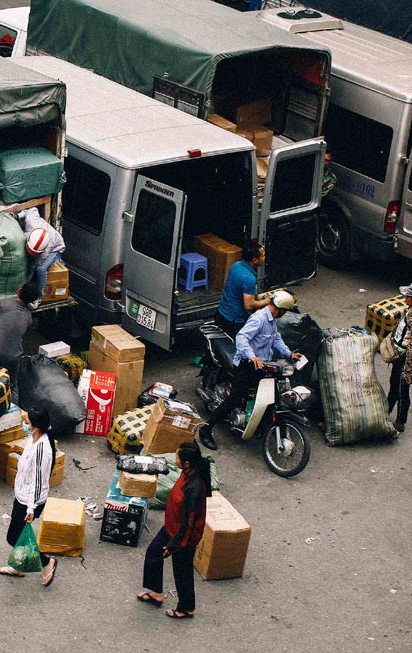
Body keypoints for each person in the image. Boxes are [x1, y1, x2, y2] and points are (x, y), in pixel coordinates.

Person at [199, 290, 301, 450]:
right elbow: (241, 337)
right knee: (235, 398)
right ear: (281, 309)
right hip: (247, 365)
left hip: (263, 365)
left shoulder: (272, 321)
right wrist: (252, 356)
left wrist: (289, 353)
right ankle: (206, 428)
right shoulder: (259, 319)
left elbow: (276, 339)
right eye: (285, 311)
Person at [137, 440, 211, 619]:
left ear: (186, 463)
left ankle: (186, 608)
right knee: (153, 554)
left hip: (183, 538)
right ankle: (156, 592)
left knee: (182, 572)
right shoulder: (188, 472)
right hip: (171, 526)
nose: (174, 458)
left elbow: (189, 524)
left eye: (177, 456)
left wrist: (174, 545)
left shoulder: (194, 488)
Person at [0, 407, 58, 587]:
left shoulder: (41, 449)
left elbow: (38, 481)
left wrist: (30, 508)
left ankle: (47, 562)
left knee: (14, 537)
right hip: (22, 495)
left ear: (36, 427)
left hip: (30, 500)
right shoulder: (34, 439)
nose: (24, 423)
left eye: (27, 422)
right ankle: (19, 566)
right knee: (18, 535)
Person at [0, 278, 40, 384]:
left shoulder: (3, 303)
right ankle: (12, 398)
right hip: (15, 358)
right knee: (13, 384)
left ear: (19, 291)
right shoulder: (29, 317)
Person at [214, 242, 269, 337]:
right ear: (255, 260)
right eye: (263, 256)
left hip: (220, 314)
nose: (264, 258)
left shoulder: (237, 265)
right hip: (233, 322)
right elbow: (249, 305)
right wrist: (268, 301)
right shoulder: (249, 278)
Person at [19, 208, 65, 310]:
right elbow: (32, 209)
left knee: (40, 269)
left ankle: (39, 297)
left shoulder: (45, 251)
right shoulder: (31, 222)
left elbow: (33, 267)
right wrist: (19, 216)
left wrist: (24, 285)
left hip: (56, 248)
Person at [388, 284, 412, 433]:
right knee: (394, 383)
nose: (405, 298)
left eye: (408, 296)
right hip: (399, 355)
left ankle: (400, 422)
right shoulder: (409, 311)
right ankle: (386, 410)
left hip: (406, 358)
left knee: (402, 388)